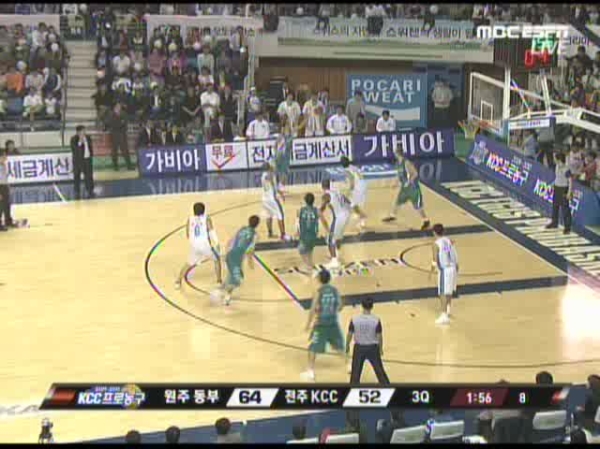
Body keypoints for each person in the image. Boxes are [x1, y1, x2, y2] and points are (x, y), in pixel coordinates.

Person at [302, 269, 345, 381]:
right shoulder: (335, 290)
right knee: (338, 346)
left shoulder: (318, 292)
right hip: (333, 322)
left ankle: (310, 371)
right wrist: (331, 310)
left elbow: (312, 309)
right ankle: (349, 365)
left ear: (319, 279)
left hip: (321, 324)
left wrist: (308, 324)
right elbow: (340, 306)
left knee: (313, 347)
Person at [175, 202, 222, 290]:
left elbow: (187, 234)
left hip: (194, 245)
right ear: (204, 210)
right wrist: (217, 243)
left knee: (188, 264)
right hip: (204, 245)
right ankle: (219, 281)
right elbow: (212, 232)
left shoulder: (190, 219)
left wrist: (194, 242)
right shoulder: (207, 219)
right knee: (217, 259)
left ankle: (178, 281)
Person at [382, 148, 431, 231]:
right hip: (404, 188)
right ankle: (393, 216)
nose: (394, 154)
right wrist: (395, 183)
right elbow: (399, 175)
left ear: (397, 153)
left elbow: (415, 173)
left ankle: (426, 221)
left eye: (395, 153)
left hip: (413, 188)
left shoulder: (406, 162)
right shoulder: (398, 163)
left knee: (418, 207)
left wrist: (409, 181)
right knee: (398, 202)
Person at [217, 215, 260, 306]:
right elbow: (250, 250)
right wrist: (250, 261)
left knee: (232, 275)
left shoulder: (242, 229)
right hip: (236, 257)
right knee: (237, 280)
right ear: (257, 224)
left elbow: (231, 240)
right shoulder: (254, 235)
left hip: (230, 253)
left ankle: (221, 288)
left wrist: (225, 251)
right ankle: (226, 297)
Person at [346, 296, 390, 384]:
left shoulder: (354, 319)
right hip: (372, 348)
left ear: (362, 306)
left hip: (359, 348)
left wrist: (347, 345)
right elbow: (379, 336)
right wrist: (380, 349)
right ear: (372, 306)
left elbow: (349, 334)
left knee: (355, 373)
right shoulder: (376, 320)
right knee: (379, 371)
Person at [320, 178, 352, 269]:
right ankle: (337, 255)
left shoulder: (326, 195)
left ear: (322, 187)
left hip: (339, 217)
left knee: (330, 239)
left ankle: (334, 261)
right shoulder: (337, 192)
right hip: (346, 214)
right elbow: (349, 202)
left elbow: (322, 208)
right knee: (338, 237)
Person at [431, 223, 459, 325]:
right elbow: (451, 253)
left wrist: (431, 271)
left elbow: (435, 260)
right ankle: (447, 310)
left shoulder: (436, 244)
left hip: (445, 270)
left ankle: (443, 316)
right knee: (449, 290)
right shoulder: (448, 241)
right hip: (453, 268)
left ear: (434, 232)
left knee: (442, 292)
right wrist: (457, 266)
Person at [546, 152, 572, 234]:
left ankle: (567, 227)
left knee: (565, 209)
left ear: (559, 159)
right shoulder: (557, 166)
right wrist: (553, 183)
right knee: (555, 206)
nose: (554, 159)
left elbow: (570, 181)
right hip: (557, 188)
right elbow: (557, 177)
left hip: (563, 189)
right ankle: (554, 222)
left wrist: (569, 192)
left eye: (555, 158)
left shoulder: (566, 169)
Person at [261, 162, 288, 241]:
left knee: (269, 215)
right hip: (271, 198)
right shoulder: (269, 175)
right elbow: (273, 184)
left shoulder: (263, 175)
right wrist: (280, 193)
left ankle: (270, 233)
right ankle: (283, 235)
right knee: (280, 215)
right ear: (269, 168)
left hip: (265, 199)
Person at [341, 156, 367, 231]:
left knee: (352, 204)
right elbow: (360, 176)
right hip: (363, 184)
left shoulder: (346, 170)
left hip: (358, 187)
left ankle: (363, 217)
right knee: (356, 203)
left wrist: (349, 191)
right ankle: (359, 215)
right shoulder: (353, 167)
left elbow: (351, 180)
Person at [296, 192, 319, 275]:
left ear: (305, 201)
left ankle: (308, 267)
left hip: (304, 234)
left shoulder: (300, 210)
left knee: (301, 250)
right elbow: (321, 221)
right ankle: (311, 264)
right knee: (309, 250)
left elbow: (297, 223)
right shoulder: (317, 210)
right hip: (313, 234)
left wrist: (297, 232)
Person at [70, 125, 95, 200]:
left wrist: (91, 155)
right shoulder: (74, 139)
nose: (84, 132)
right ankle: (77, 191)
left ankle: (90, 190)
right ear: (78, 132)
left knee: (89, 175)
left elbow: (90, 146)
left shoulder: (88, 137)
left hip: (87, 159)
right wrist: (80, 142)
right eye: (82, 131)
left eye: (84, 130)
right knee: (77, 175)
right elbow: (74, 149)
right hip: (78, 160)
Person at [107, 103, 134, 171]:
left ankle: (129, 166)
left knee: (125, 151)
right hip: (114, 135)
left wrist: (122, 124)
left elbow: (125, 122)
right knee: (114, 151)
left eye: (120, 106)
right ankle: (115, 166)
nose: (119, 108)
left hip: (122, 134)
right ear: (114, 107)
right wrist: (121, 123)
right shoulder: (111, 114)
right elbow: (112, 124)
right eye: (118, 106)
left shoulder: (123, 114)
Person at [273, 122, 292, 190]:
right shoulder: (280, 137)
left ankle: (281, 184)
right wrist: (276, 152)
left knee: (284, 172)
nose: (284, 130)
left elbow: (289, 147)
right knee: (276, 171)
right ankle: (277, 184)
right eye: (284, 128)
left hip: (285, 157)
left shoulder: (290, 138)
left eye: (287, 129)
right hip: (278, 155)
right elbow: (275, 145)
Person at [0, 147, 13, 231]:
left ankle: (8, 220)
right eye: (4, 156)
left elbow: (4, 177)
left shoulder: (3, 165)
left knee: (7, 204)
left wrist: (8, 186)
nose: (6, 157)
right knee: (0, 206)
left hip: (4, 186)